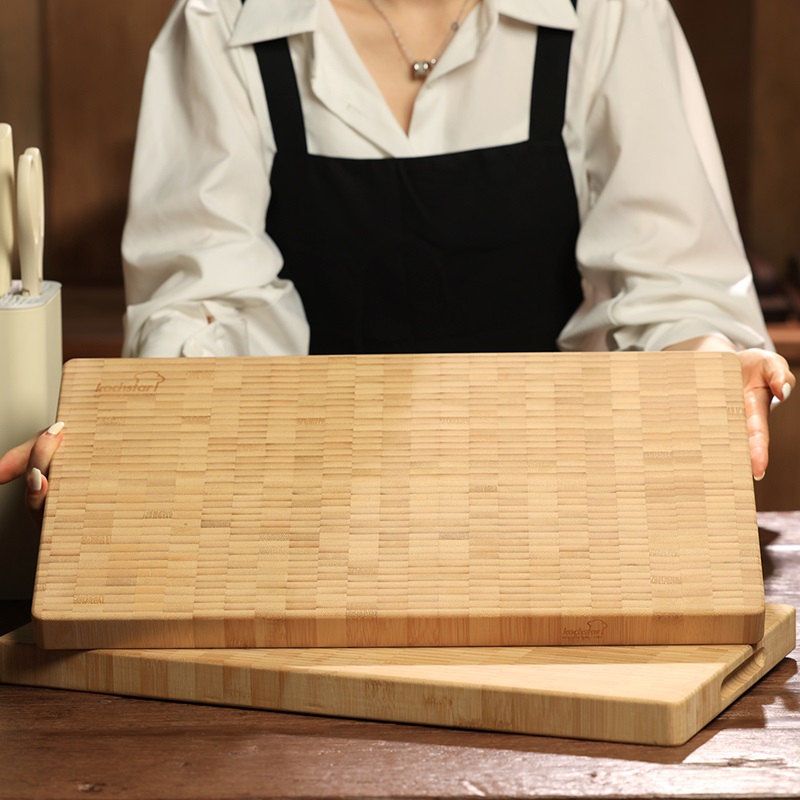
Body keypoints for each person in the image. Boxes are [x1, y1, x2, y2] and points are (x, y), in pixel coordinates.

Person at [0, 0, 795, 517]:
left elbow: (672, 293)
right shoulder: (218, 25)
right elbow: (204, 314)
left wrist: (704, 363)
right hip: (302, 517)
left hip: (559, 509)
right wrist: (143, 437)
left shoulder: (609, 14)